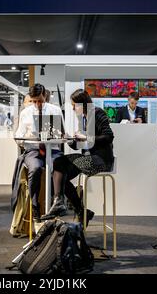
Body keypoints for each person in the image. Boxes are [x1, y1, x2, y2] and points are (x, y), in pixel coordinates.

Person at [40, 89, 114, 225]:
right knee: (59, 167)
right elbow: (80, 145)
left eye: (75, 105)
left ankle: (65, 205)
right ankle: (74, 208)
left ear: (83, 104)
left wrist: (85, 136)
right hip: (89, 157)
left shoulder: (97, 113)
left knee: (59, 169)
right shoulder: (83, 118)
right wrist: (70, 139)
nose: (73, 108)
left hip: (101, 161)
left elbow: (109, 136)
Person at [13, 83, 64, 223]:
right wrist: (27, 139)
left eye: (40, 101)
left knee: (60, 166)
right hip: (33, 149)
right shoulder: (26, 112)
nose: (37, 104)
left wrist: (57, 136)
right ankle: (35, 205)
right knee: (35, 168)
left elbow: (62, 133)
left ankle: (57, 201)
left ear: (44, 96)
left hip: (52, 149)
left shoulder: (55, 110)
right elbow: (18, 136)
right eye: (34, 101)